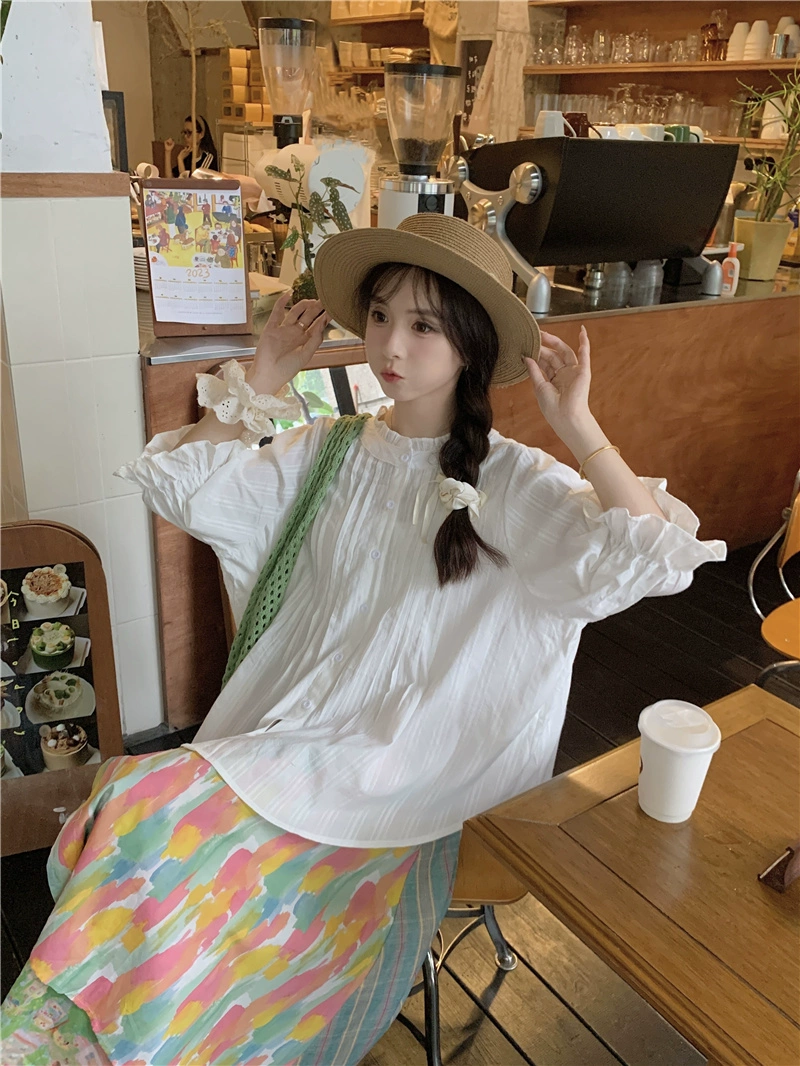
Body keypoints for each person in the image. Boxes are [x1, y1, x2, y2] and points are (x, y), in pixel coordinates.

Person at [0, 215, 725, 1064]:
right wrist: (265, 374)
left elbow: (652, 557)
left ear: (470, 345)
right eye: (380, 316)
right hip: (304, 733)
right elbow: (188, 488)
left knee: (151, 815)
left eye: (424, 326)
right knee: (133, 807)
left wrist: (580, 426)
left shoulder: (515, 481)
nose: (391, 345)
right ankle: (107, 1035)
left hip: (423, 762)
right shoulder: (330, 449)